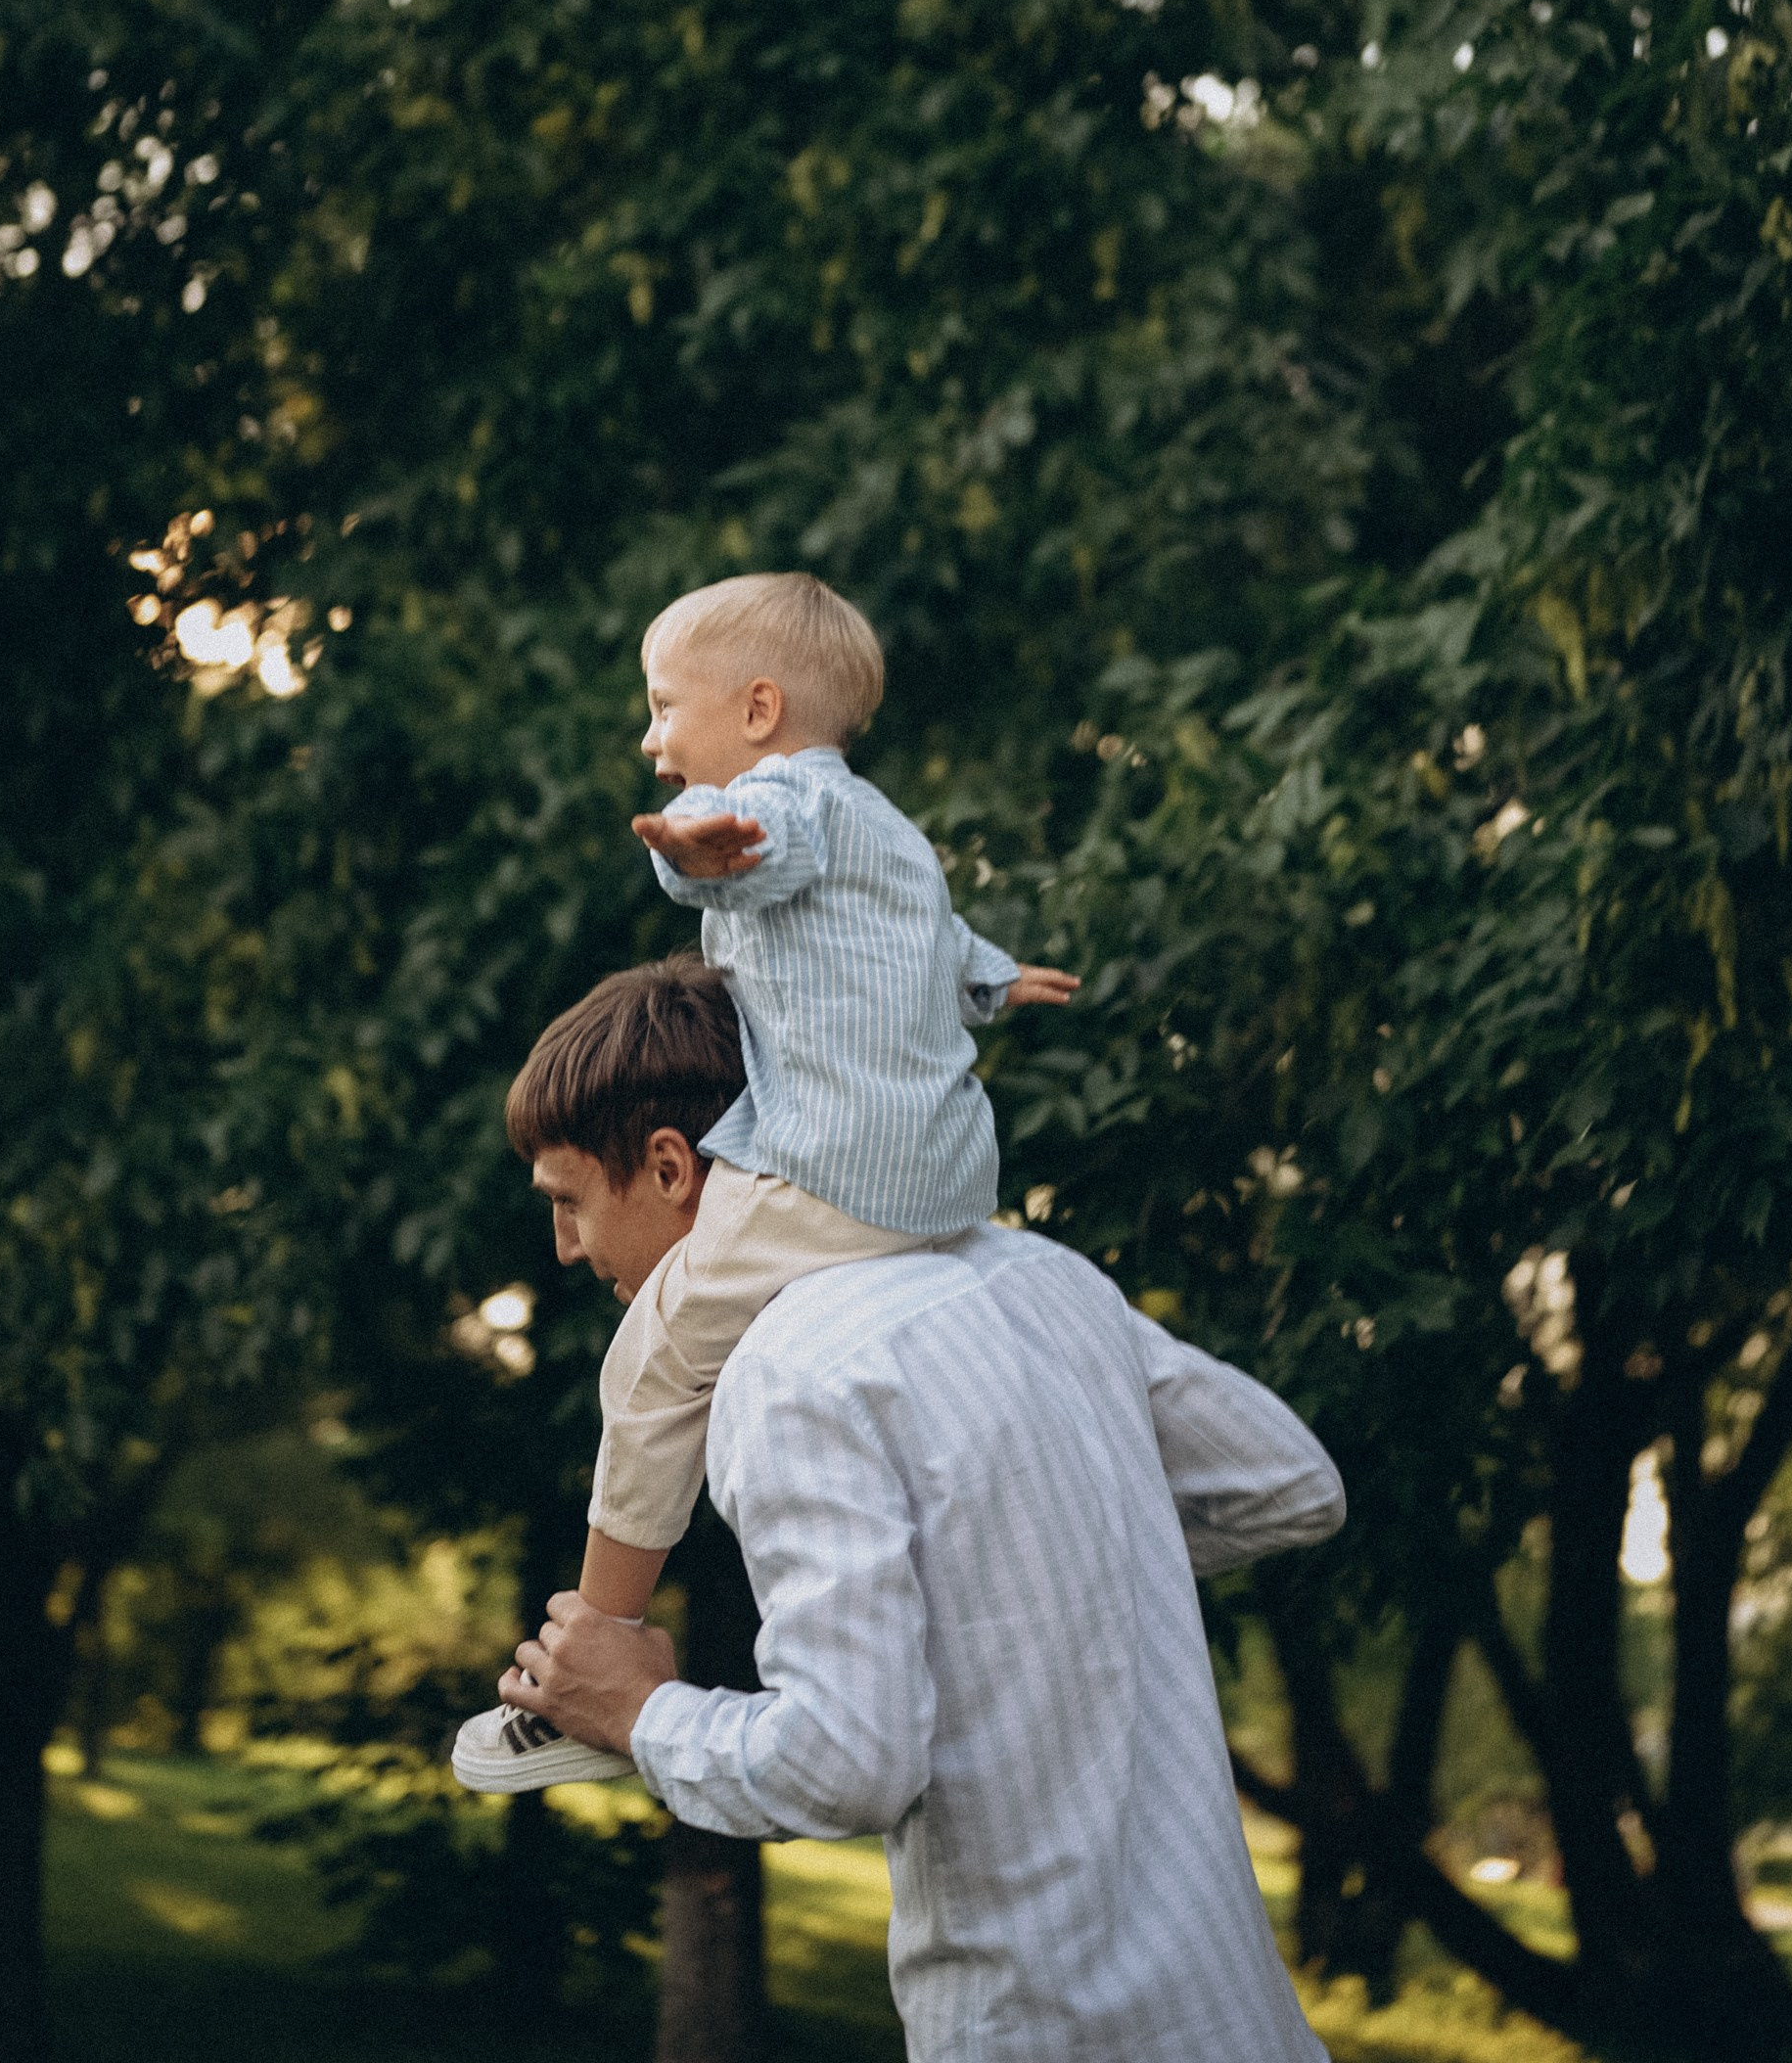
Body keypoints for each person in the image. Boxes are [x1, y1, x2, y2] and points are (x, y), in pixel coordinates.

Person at [468, 953, 1345, 2063]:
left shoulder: (790, 1373)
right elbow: (1289, 1483)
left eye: (568, 1203)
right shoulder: (1042, 1278)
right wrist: (1038, 1557)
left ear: (670, 1165)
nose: (566, 1248)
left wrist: (643, 1714)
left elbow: (845, 1761)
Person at [455, 570, 1078, 1789]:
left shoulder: (778, 803)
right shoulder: (892, 832)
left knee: (650, 1364)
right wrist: (998, 982)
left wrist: (696, 851)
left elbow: (750, 848)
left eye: (662, 709)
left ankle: (597, 1644)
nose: (651, 740)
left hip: (826, 1168)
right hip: (945, 1179)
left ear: (755, 710)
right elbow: (931, 944)